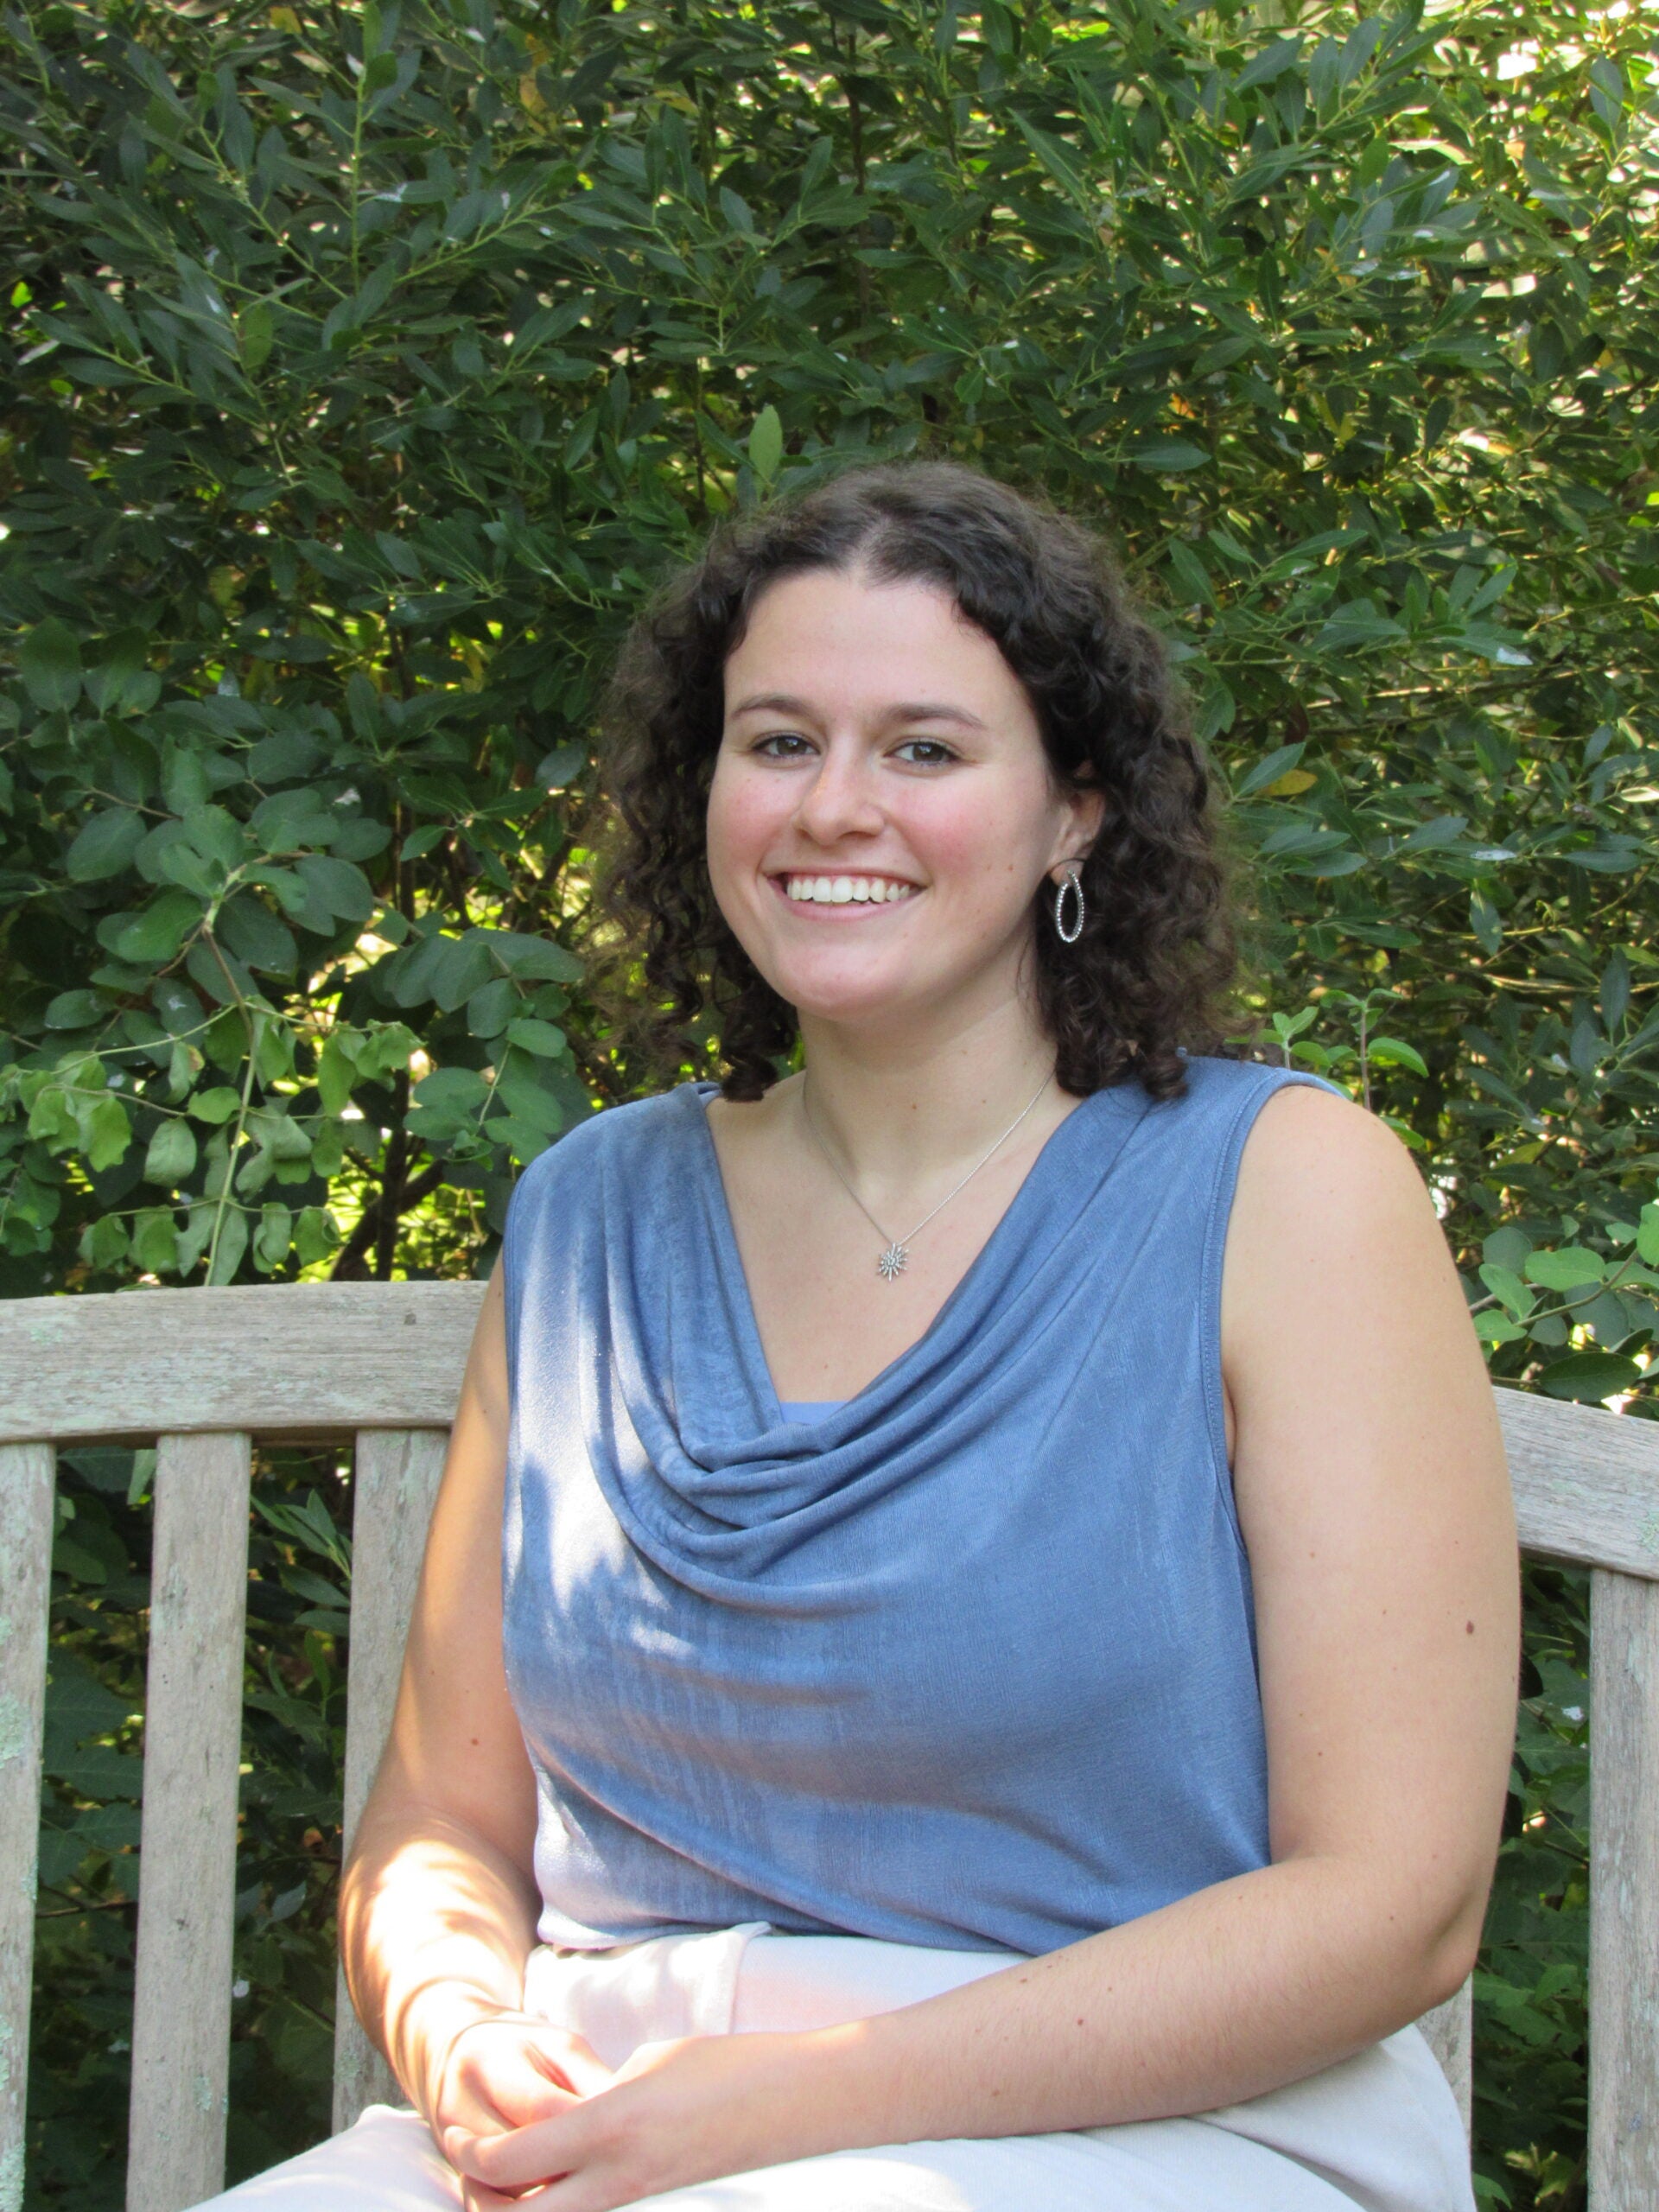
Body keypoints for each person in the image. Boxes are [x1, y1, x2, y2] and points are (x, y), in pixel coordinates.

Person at [206, 462, 1517, 2210]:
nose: (836, 806)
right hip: (619, 2107)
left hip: (1146, 2122)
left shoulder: (1285, 1189)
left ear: (1077, 813)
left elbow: (1398, 1903)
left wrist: (788, 2105)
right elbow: (440, 1827)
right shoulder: (593, 1211)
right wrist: (455, 2029)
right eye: (776, 741)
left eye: (924, 747)